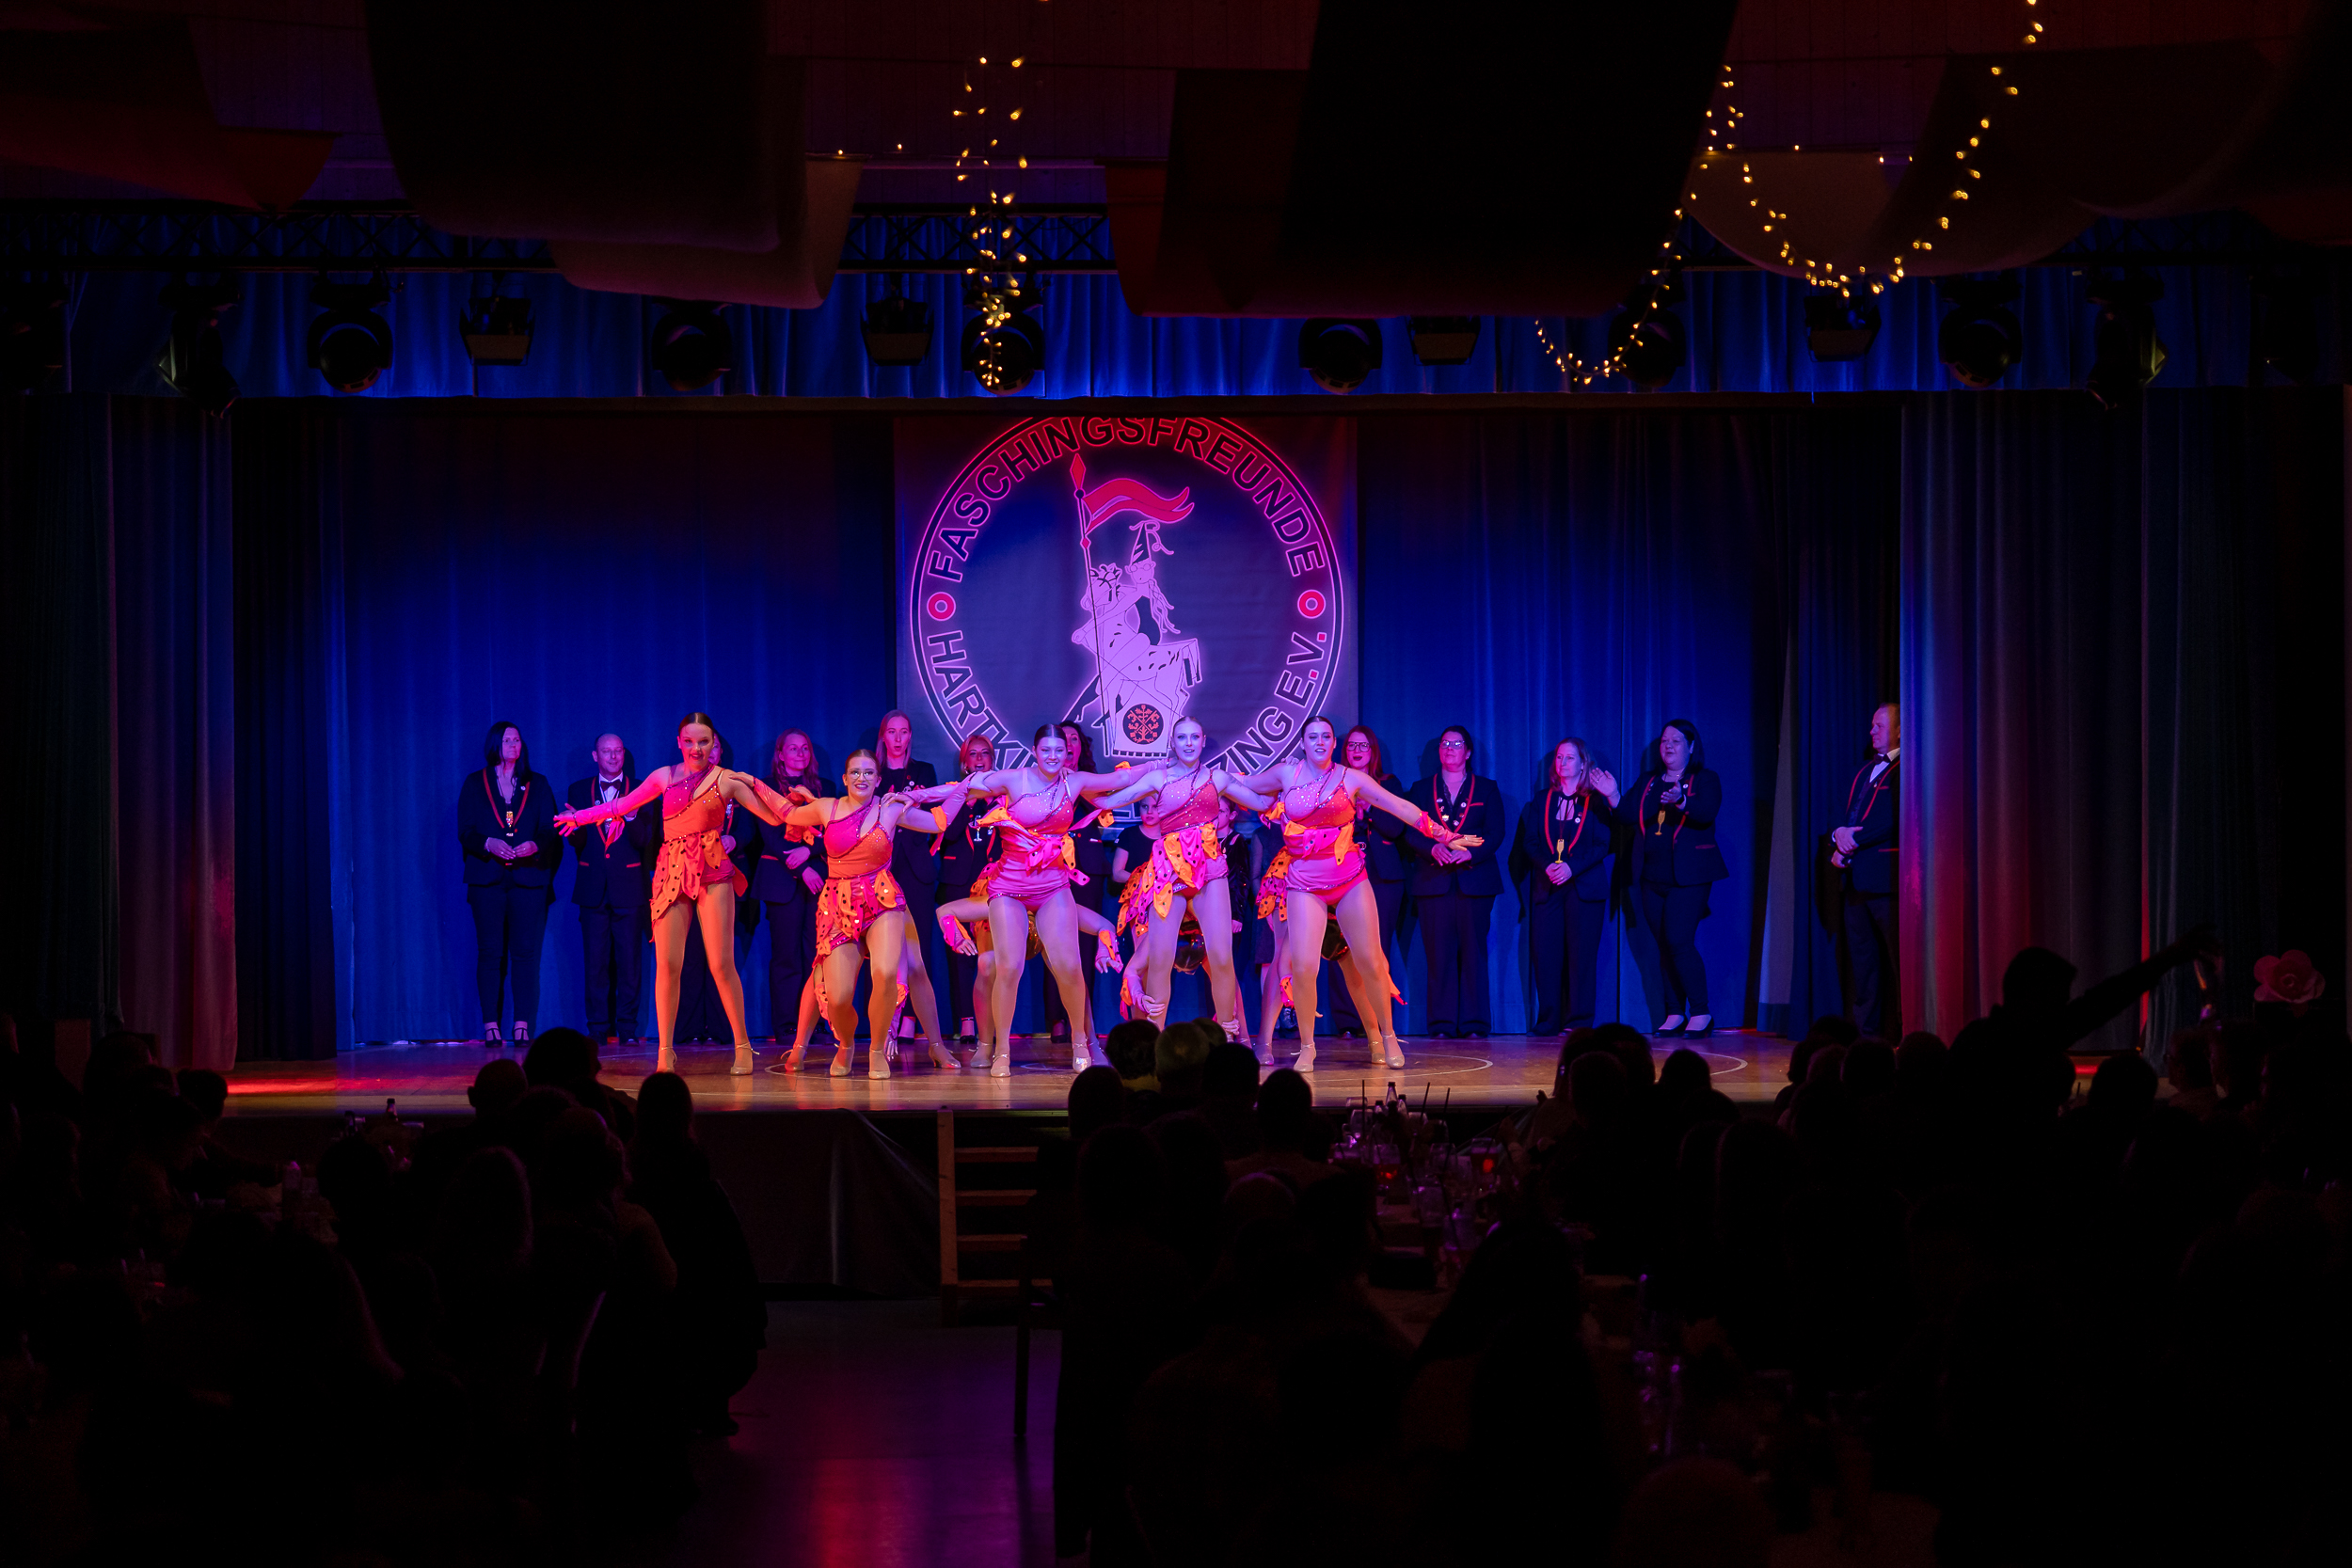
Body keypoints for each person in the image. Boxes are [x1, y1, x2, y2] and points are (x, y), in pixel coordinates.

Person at [1230, 716, 1481, 1071]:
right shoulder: (1286, 774)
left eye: (1326, 737)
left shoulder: (1351, 778)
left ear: (1334, 744)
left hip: (1348, 879)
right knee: (1303, 966)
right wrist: (1205, 777)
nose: (1319, 742)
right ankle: (1306, 1046)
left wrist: (1445, 835)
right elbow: (1243, 784)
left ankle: (1388, 1037)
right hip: (1303, 882)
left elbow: (1400, 808)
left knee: (1372, 963)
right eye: (1312, 737)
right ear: (1302, 743)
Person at [553, 712, 794, 1076]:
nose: (696, 748)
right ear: (680, 742)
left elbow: (776, 818)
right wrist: (581, 817)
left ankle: (742, 1045)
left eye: (704, 741)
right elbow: (620, 806)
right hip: (672, 870)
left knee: (721, 964)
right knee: (667, 965)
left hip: (712, 868)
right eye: (690, 741)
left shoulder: (725, 779)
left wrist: (757, 784)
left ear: (713, 744)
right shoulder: (663, 777)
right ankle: (665, 1052)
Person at [953, 726, 1139, 1077]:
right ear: (1035, 751)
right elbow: (962, 788)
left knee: (1069, 966)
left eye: (1059, 750)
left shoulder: (1074, 781)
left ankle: (1081, 1041)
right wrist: (914, 798)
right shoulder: (1014, 779)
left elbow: (1123, 778)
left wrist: (1164, 769)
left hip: (1053, 886)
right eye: (1046, 750)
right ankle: (1000, 1050)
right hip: (1010, 888)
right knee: (1006, 968)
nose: (1053, 756)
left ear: (1067, 753)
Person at [769, 751, 964, 1077]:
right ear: (845, 778)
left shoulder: (890, 808)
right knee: (828, 983)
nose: (862, 778)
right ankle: (825, 1045)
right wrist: (746, 784)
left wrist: (960, 788)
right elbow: (784, 812)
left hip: (883, 901)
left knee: (910, 969)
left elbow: (937, 822)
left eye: (869, 773)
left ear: (878, 779)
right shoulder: (828, 807)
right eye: (856, 772)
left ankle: (929, 1045)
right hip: (839, 905)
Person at [1092, 718, 1257, 1042]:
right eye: (1182, 737)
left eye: (1194, 737)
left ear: (1203, 740)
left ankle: (1231, 1039)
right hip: (1169, 875)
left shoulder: (1216, 777)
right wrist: (1073, 785)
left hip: (1209, 873)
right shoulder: (1160, 777)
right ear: (1173, 742)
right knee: (1159, 961)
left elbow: (1261, 798)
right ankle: (1155, 1042)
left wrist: (1291, 786)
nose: (1188, 743)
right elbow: (1109, 800)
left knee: (1222, 959)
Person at [1509, 737, 1625, 1036]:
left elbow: (1603, 844)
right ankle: (1548, 1020)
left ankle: (1579, 1021)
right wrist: (1548, 865)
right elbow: (1530, 842)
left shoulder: (1595, 801)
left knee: (1581, 957)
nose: (1562, 763)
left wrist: (1571, 867)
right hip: (1548, 886)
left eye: (1570, 758)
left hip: (1584, 888)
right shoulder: (1542, 800)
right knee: (1546, 955)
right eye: (1559, 757)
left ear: (1584, 763)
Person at [458, 720, 561, 1047]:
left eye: (517, 740)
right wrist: (488, 843)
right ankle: (491, 1025)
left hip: (528, 879)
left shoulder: (537, 783)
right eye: (507, 740)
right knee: (490, 952)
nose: (514, 745)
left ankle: (521, 1025)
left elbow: (549, 829)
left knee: (525, 954)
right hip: (487, 879)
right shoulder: (475, 783)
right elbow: (466, 832)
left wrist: (535, 845)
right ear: (495, 745)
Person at [1403, 725, 1506, 1038]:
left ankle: (1475, 1024)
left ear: (1468, 752)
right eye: (1445, 743)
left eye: (1457, 744)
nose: (1449, 748)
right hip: (1433, 881)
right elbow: (1409, 831)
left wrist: (1470, 854)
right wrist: (1431, 848)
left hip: (1474, 881)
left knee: (1474, 953)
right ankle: (1442, 1024)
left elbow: (1496, 832)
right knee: (1439, 954)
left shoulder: (1486, 789)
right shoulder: (1421, 789)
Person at [1628, 718, 1728, 1037]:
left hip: (1689, 877)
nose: (1668, 745)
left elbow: (1706, 812)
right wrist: (1613, 794)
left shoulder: (1705, 779)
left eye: (1676, 741)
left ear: (1691, 746)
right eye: (1664, 741)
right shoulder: (1648, 781)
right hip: (1651, 877)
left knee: (1679, 942)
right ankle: (1674, 1011)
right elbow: (1627, 814)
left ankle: (1701, 1012)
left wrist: (1681, 800)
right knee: (1663, 945)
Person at [566, 733, 653, 1046]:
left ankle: (628, 1028)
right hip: (593, 888)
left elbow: (646, 841)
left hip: (629, 887)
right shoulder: (579, 790)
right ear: (596, 756)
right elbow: (577, 843)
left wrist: (632, 817)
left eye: (618, 751)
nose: (613, 757)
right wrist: (573, 826)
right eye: (607, 751)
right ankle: (597, 1027)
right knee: (595, 963)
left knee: (630, 963)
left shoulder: (642, 789)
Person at [751, 729, 827, 1053]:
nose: (800, 754)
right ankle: (786, 1025)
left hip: (818, 881)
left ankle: (817, 1022)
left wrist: (810, 854)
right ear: (780, 754)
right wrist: (800, 867)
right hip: (781, 879)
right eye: (793, 749)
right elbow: (769, 834)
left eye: (805, 748)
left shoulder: (825, 789)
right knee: (786, 957)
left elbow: (834, 830)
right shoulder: (766, 786)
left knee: (816, 955)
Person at [1335, 724, 1411, 1037]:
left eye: (1363, 746)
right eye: (1352, 745)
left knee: (1377, 948)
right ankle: (1348, 1022)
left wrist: (1369, 810)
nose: (1357, 751)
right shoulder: (1334, 783)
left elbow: (1397, 828)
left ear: (1373, 751)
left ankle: (1381, 1022)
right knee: (1342, 947)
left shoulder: (1388, 784)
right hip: (1341, 874)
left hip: (1383, 876)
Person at [874, 710, 943, 1052]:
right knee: (884, 947)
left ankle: (912, 1019)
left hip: (917, 868)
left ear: (910, 736)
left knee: (919, 945)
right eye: (892, 732)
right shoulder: (874, 773)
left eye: (904, 732)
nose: (898, 738)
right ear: (884, 736)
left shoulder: (923, 771)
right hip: (883, 868)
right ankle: (886, 1017)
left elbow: (933, 815)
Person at [1832, 702, 1900, 1038]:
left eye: (1879, 726)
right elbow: (1846, 815)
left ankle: (1904, 1031)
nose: (1871, 731)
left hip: (1886, 879)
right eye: (1872, 725)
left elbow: (1894, 819)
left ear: (1900, 730)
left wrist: (1852, 840)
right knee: (1863, 962)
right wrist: (1837, 837)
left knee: (1898, 960)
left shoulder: (1905, 768)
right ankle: (1866, 1034)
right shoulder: (1863, 771)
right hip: (1855, 880)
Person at [936, 733, 1001, 1044]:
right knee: (961, 953)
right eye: (972, 754)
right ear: (964, 763)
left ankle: (994, 1019)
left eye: (984, 753)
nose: (978, 759)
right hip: (958, 881)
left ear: (992, 760)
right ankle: (965, 1020)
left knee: (993, 955)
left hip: (993, 883)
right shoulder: (953, 795)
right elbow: (945, 835)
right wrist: (967, 800)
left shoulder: (1003, 796)